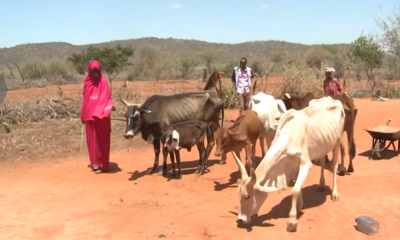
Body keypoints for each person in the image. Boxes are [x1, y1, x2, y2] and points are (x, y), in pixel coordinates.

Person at [80, 60, 114, 174]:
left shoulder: (103, 82)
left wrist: (99, 111)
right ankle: (96, 164)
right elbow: (85, 100)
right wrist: (83, 115)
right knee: (93, 142)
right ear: (89, 71)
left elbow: (105, 97)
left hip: (101, 118)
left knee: (102, 141)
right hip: (91, 119)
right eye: (93, 71)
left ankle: (104, 165)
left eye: (97, 71)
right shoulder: (87, 82)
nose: (95, 73)